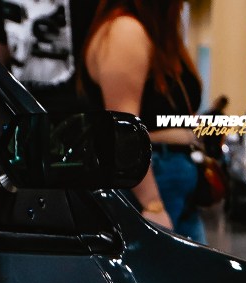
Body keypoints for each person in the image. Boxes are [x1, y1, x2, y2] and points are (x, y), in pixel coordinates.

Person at [81, 0, 205, 241]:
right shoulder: (125, 30)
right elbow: (123, 131)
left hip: (173, 181)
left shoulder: (157, 34)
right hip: (152, 180)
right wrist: (152, 203)